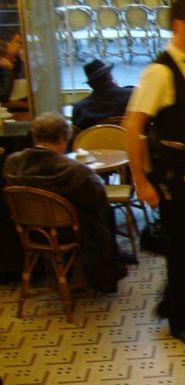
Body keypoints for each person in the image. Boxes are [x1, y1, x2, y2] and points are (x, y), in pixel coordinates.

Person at [125, 0, 185, 348]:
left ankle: (173, 300)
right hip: (173, 175)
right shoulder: (159, 72)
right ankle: (178, 319)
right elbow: (133, 127)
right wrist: (141, 180)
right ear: (179, 25)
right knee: (180, 247)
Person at [4, 113, 127, 293]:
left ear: (34, 136)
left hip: (28, 230)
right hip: (65, 232)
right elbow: (97, 200)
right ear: (63, 138)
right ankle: (105, 270)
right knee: (106, 212)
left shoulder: (12, 163)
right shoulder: (75, 170)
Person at [71, 60, 135, 130]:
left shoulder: (80, 109)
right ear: (110, 76)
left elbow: (77, 137)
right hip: (131, 140)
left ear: (91, 85)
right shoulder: (133, 95)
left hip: (95, 140)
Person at [0, 30, 26, 109]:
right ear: (5, 44)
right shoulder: (3, 65)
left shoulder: (18, 61)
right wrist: (7, 70)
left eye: (21, 43)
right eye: (16, 42)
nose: (20, 46)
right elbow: (3, 96)